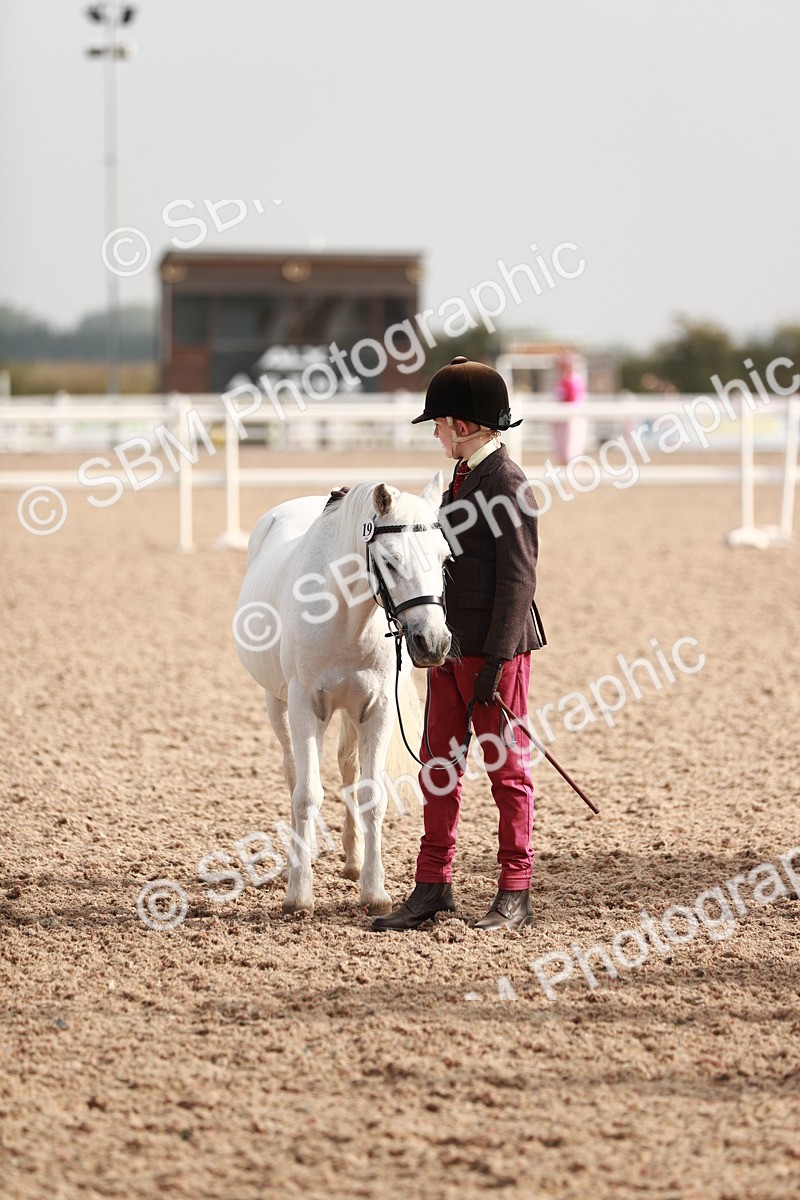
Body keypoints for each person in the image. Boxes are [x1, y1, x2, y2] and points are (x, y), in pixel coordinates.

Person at [372, 356, 546, 933]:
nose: (437, 434)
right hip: (446, 648)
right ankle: (432, 884)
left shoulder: (507, 482)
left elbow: (519, 581)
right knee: (439, 766)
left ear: (465, 426)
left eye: (441, 425)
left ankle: (515, 891)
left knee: (506, 771)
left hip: (494, 653)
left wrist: (495, 663)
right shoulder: (455, 481)